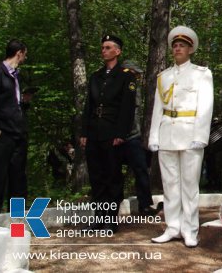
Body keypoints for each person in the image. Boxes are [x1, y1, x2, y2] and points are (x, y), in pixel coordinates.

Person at [149, 26, 213, 247]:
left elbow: (205, 106)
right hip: (167, 133)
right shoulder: (163, 76)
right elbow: (158, 107)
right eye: (175, 46)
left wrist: (201, 136)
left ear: (190, 49)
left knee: (189, 185)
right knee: (170, 185)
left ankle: (190, 230)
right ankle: (172, 227)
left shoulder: (202, 74)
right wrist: (153, 136)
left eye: (182, 46)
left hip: (190, 134)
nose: (177, 48)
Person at [80, 35, 137, 234]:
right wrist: (84, 132)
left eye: (108, 47)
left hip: (113, 133)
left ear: (117, 51)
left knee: (112, 177)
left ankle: (111, 221)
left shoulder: (126, 75)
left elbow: (127, 108)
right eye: (102, 47)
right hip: (94, 132)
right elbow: (89, 106)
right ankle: (99, 219)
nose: (103, 50)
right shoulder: (96, 76)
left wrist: (121, 133)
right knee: (97, 177)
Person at [0, 40, 30, 214]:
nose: (25, 57)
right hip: (2, 135)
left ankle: (17, 221)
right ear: (19, 53)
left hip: (19, 134)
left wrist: (24, 103)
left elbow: (13, 103)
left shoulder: (18, 76)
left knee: (18, 179)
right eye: (25, 53)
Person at [121, 59, 157, 215]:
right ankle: (110, 207)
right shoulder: (114, 87)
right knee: (112, 173)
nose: (137, 77)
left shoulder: (134, 88)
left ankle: (145, 205)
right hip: (115, 136)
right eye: (135, 74)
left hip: (132, 136)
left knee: (141, 169)